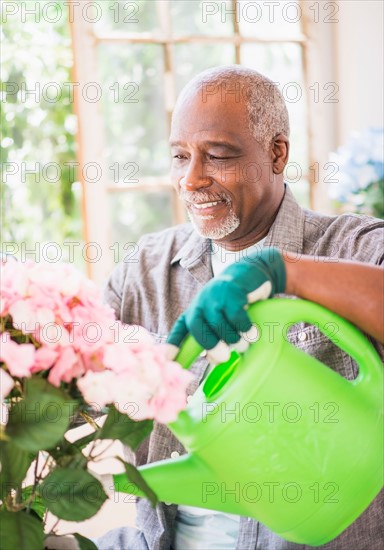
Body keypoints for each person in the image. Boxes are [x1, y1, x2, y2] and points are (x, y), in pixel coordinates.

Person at [96, 66, 383, 550]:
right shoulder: (147, 269)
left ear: (277, 153)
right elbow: (70, 381)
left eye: (219, 155)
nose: (192, 179)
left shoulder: (349, 247)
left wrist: (283, 271)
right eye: (179, 157)